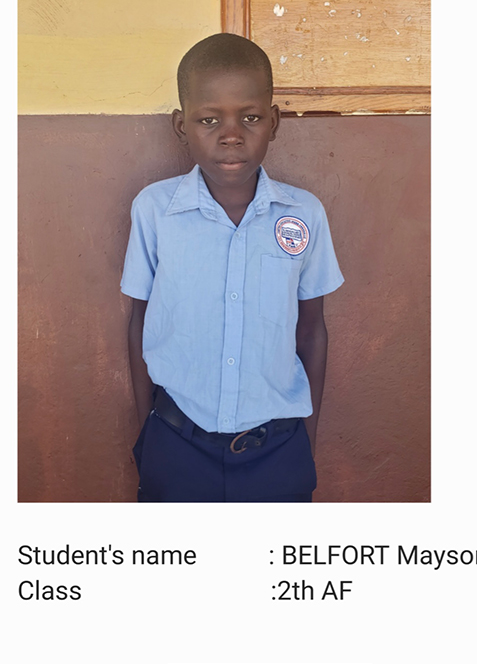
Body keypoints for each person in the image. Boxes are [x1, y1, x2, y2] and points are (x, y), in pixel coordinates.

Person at [120, 33, 344, 502]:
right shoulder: (155, 211)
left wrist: (309, 436)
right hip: (176, 444)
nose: (231, 134)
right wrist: (150, 435)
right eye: (208, 119)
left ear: (274, 121)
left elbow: (311, 331)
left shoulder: (303, 215)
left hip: (278, 450)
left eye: (251, 117)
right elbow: (141, 320)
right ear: (182, 125)